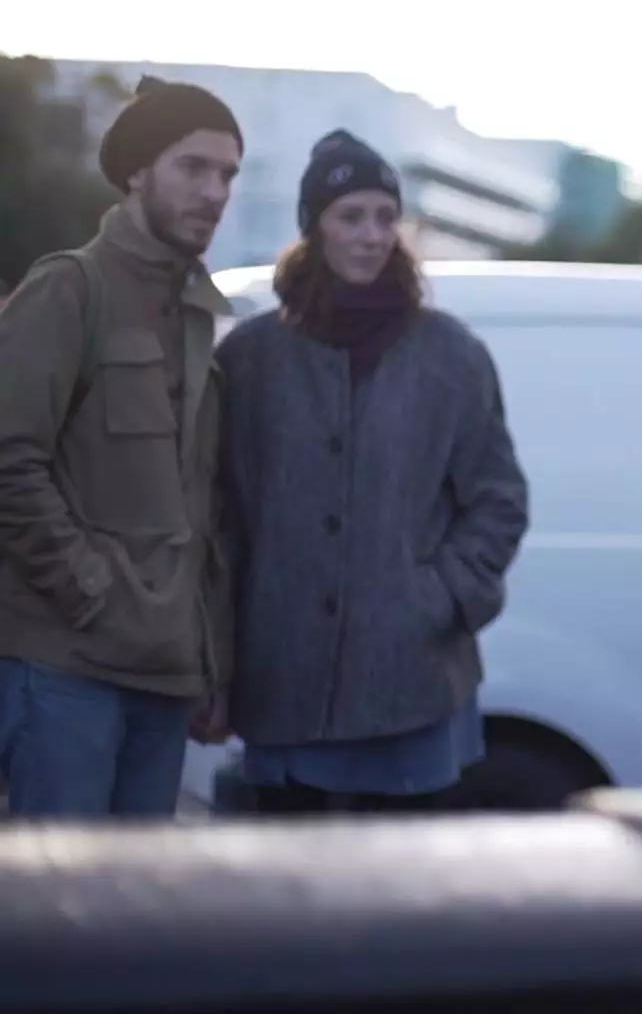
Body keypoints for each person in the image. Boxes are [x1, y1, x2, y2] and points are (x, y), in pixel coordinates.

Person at [215, 130, 530, 814]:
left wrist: (439, 597)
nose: (372, 235)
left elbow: (499, 500)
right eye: (350, 216)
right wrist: (221, 648)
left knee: (402, 902)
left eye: (386, 216)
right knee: (287, 902)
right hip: (282, 680)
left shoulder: (450, 354)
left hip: (410, 683)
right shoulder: (251, 359)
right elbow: (223, 514)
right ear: (313, 228)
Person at [0, 76, 243, 816]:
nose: (214, 191)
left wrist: (209, 660)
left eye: (228, 174)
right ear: (138, 170)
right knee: (55, 912)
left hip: (163, 677)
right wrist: (88, 589)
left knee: (132, 918)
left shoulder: (201, 315)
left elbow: (198, 510)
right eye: (193, 167)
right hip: (66, 668)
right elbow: (8, 459)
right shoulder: (70, 289)